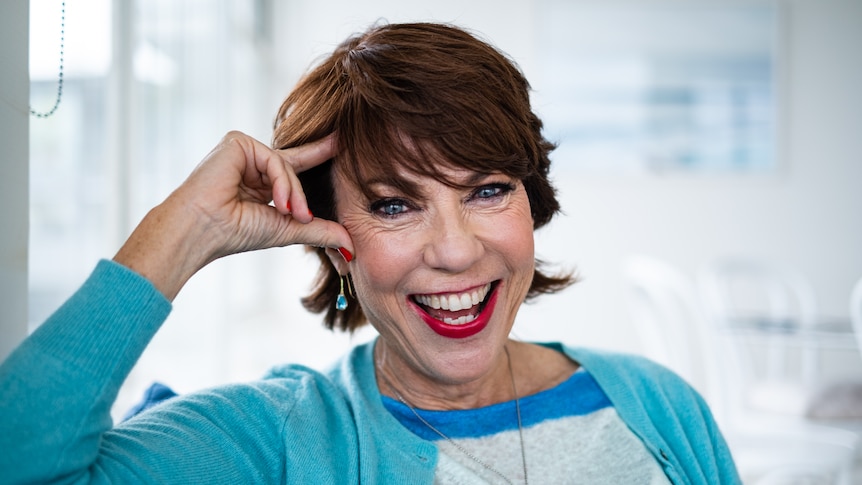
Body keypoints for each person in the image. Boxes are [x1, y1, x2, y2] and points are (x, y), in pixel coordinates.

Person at [0, 22, 739, 484]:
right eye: (394, 204)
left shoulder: (659, 404)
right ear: (333, 240)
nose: (455, 249)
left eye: (486, 189)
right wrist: (181, 228)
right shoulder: (278, 440)